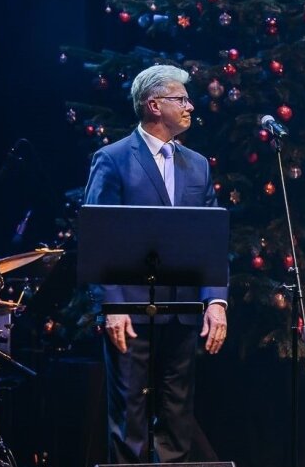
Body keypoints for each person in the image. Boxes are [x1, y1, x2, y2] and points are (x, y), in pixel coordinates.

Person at [83, 65, 228, 463]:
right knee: (128, 420)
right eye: (180, 99)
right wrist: (112, 306)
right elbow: (99, 237)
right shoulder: (112, 159)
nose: (189, 106)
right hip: (129, 312)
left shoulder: (197, 164)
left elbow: (211, 239)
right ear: (153, 104)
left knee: (177, 419)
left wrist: (215, 301)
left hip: (182, 312)